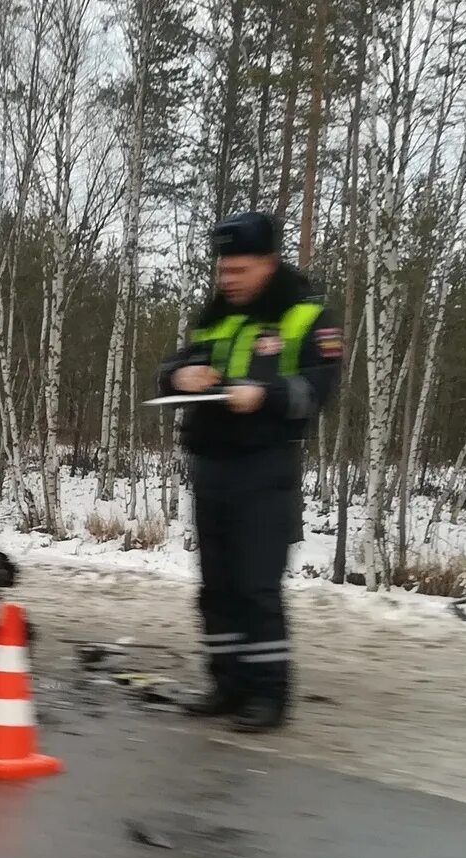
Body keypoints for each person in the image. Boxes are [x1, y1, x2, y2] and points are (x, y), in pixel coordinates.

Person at [156, 211, 342, 731]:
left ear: (268, 263)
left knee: (256, 587)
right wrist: (181, 373)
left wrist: (265, 394)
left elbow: (319, 388)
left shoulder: (307, 316)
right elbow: (170, 368)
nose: (226, 279)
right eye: (222, 269)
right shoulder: (217, 315)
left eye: (238, 270)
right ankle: (225, 684)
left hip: (265, 467)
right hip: (211, 462)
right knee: (216, 585)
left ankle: (268, 695)